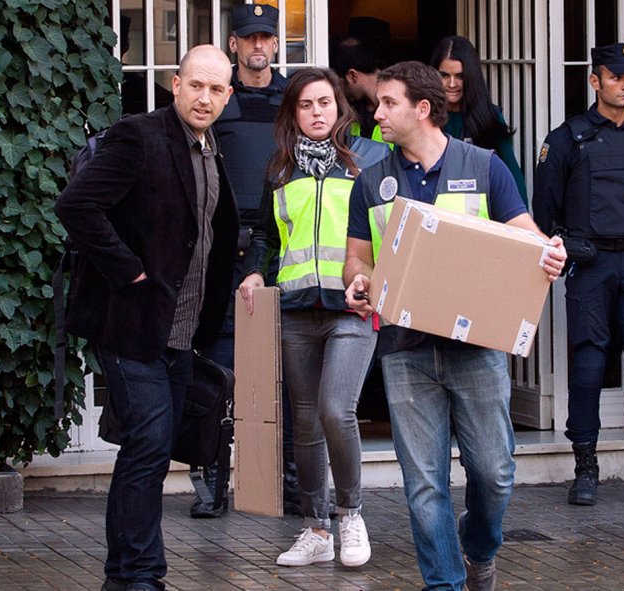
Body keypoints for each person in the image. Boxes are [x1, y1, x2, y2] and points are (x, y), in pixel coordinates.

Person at [344, 61, 566, 591]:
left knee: (495, 472)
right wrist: (358, 284)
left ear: (422, 109)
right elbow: (357, 260)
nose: (378, 113)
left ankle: (480, 547)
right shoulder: (371, 182)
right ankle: (445, 583)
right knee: (424, 483)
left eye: (388, 103)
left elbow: (526, 237)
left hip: (476, 346)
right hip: (404, 350)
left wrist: (548, 253)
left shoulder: (485, 166)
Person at [56, 46, 238, 591]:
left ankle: (125, 576)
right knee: (150, 445)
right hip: (131, 323)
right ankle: (141, 577)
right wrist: (128, 272)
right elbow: (76, 206)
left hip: (179, 333)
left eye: (217, 90)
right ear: (176, 84)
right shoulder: (140, 136)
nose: (205, 98)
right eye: (196, 86)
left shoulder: (211, 149)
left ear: (228, 96)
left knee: (151, 452)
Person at [239, 68, 390, 568]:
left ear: (340, 107)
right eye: (306, 105)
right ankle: (316, 529)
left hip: (353, 308)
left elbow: (392, 231)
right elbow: (265, 234)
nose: (317, 112)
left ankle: (351, 515)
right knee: (303, 424)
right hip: (298, 310)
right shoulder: (280, 169)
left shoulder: (368, 162)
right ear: (294, 113)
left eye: (325, 102)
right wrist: (255, 274)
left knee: (334, 409)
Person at [532, 42, 624, 508]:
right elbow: (546, 208)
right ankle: (586, 468)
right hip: (590, 265)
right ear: (595, 81)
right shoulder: (568, 139)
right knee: (590, 366)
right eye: (616, 76)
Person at [196, 2, 299, 518]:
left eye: (267, 37)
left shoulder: (294, 100)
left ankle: (286, 484)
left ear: (276, 44)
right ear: (233, 43)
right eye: (249, 37)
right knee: (218, 369)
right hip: (223, 249)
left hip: (278, 246)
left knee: (284, 366)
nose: (259, 45)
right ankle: (213, 483)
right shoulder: (219, 100)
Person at [430, 35, 527, 205]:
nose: (452, 84)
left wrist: (522, 224)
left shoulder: (489, 117)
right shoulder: (424, 117)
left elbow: (511, 173)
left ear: (471, 76)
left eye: (460, 76)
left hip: (481, 219)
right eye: (444, 75)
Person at [330, 36, 386, 144]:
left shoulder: (401, 104)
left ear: (352, 76)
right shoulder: (351, 111)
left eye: (339, 84)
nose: (339, 91)